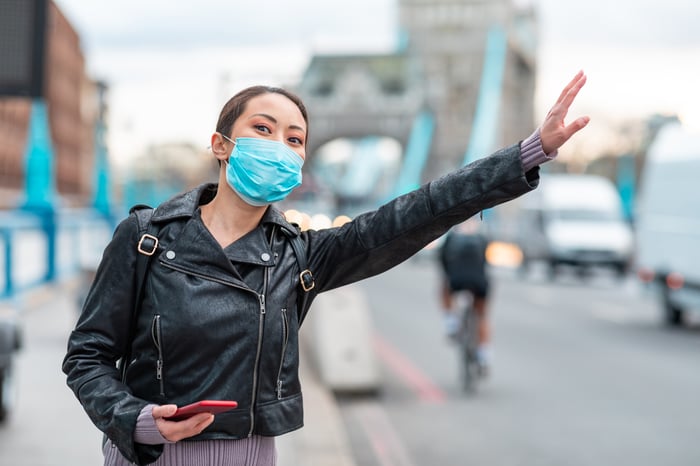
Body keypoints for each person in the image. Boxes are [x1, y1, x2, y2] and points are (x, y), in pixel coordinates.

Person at [63, 71, 589, 466]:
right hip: (151, 458)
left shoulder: (301, 256)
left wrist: (528, 154)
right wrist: (138, 422)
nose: (280, 146)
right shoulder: (146, 238)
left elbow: (414, 213)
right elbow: (87, 356)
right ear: (221, 145)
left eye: (294, 140)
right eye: (263, 129)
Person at [438, 217, 492, 372]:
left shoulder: (453, 232)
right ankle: (484, 355)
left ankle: (451, 324)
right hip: (479, 280)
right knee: (481, 315)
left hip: (457, 279)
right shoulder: (482, 231)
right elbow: (486, 260)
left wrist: (449, 275)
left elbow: (443, 260)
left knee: (444, 285)